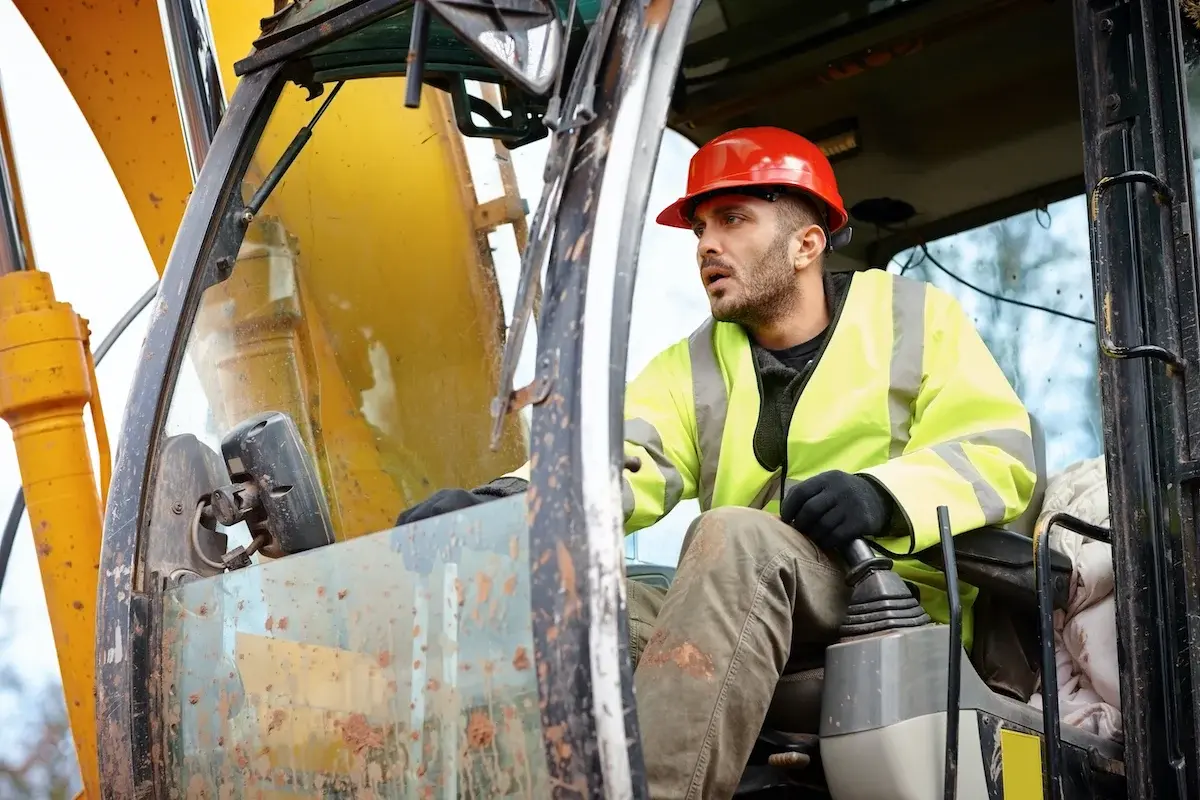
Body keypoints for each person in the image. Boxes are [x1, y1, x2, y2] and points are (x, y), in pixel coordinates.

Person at [396, 126, 1037, 798]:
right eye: (701, 226)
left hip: (891, 597)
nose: (707, 244)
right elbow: (620, 461)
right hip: (747, 606)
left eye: (733, 220)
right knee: (573, 598)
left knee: (733, 535)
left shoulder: (912, 318)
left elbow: (997, 452)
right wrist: (501, 506)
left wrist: (881, 495)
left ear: (806, 244)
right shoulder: (693, 362)